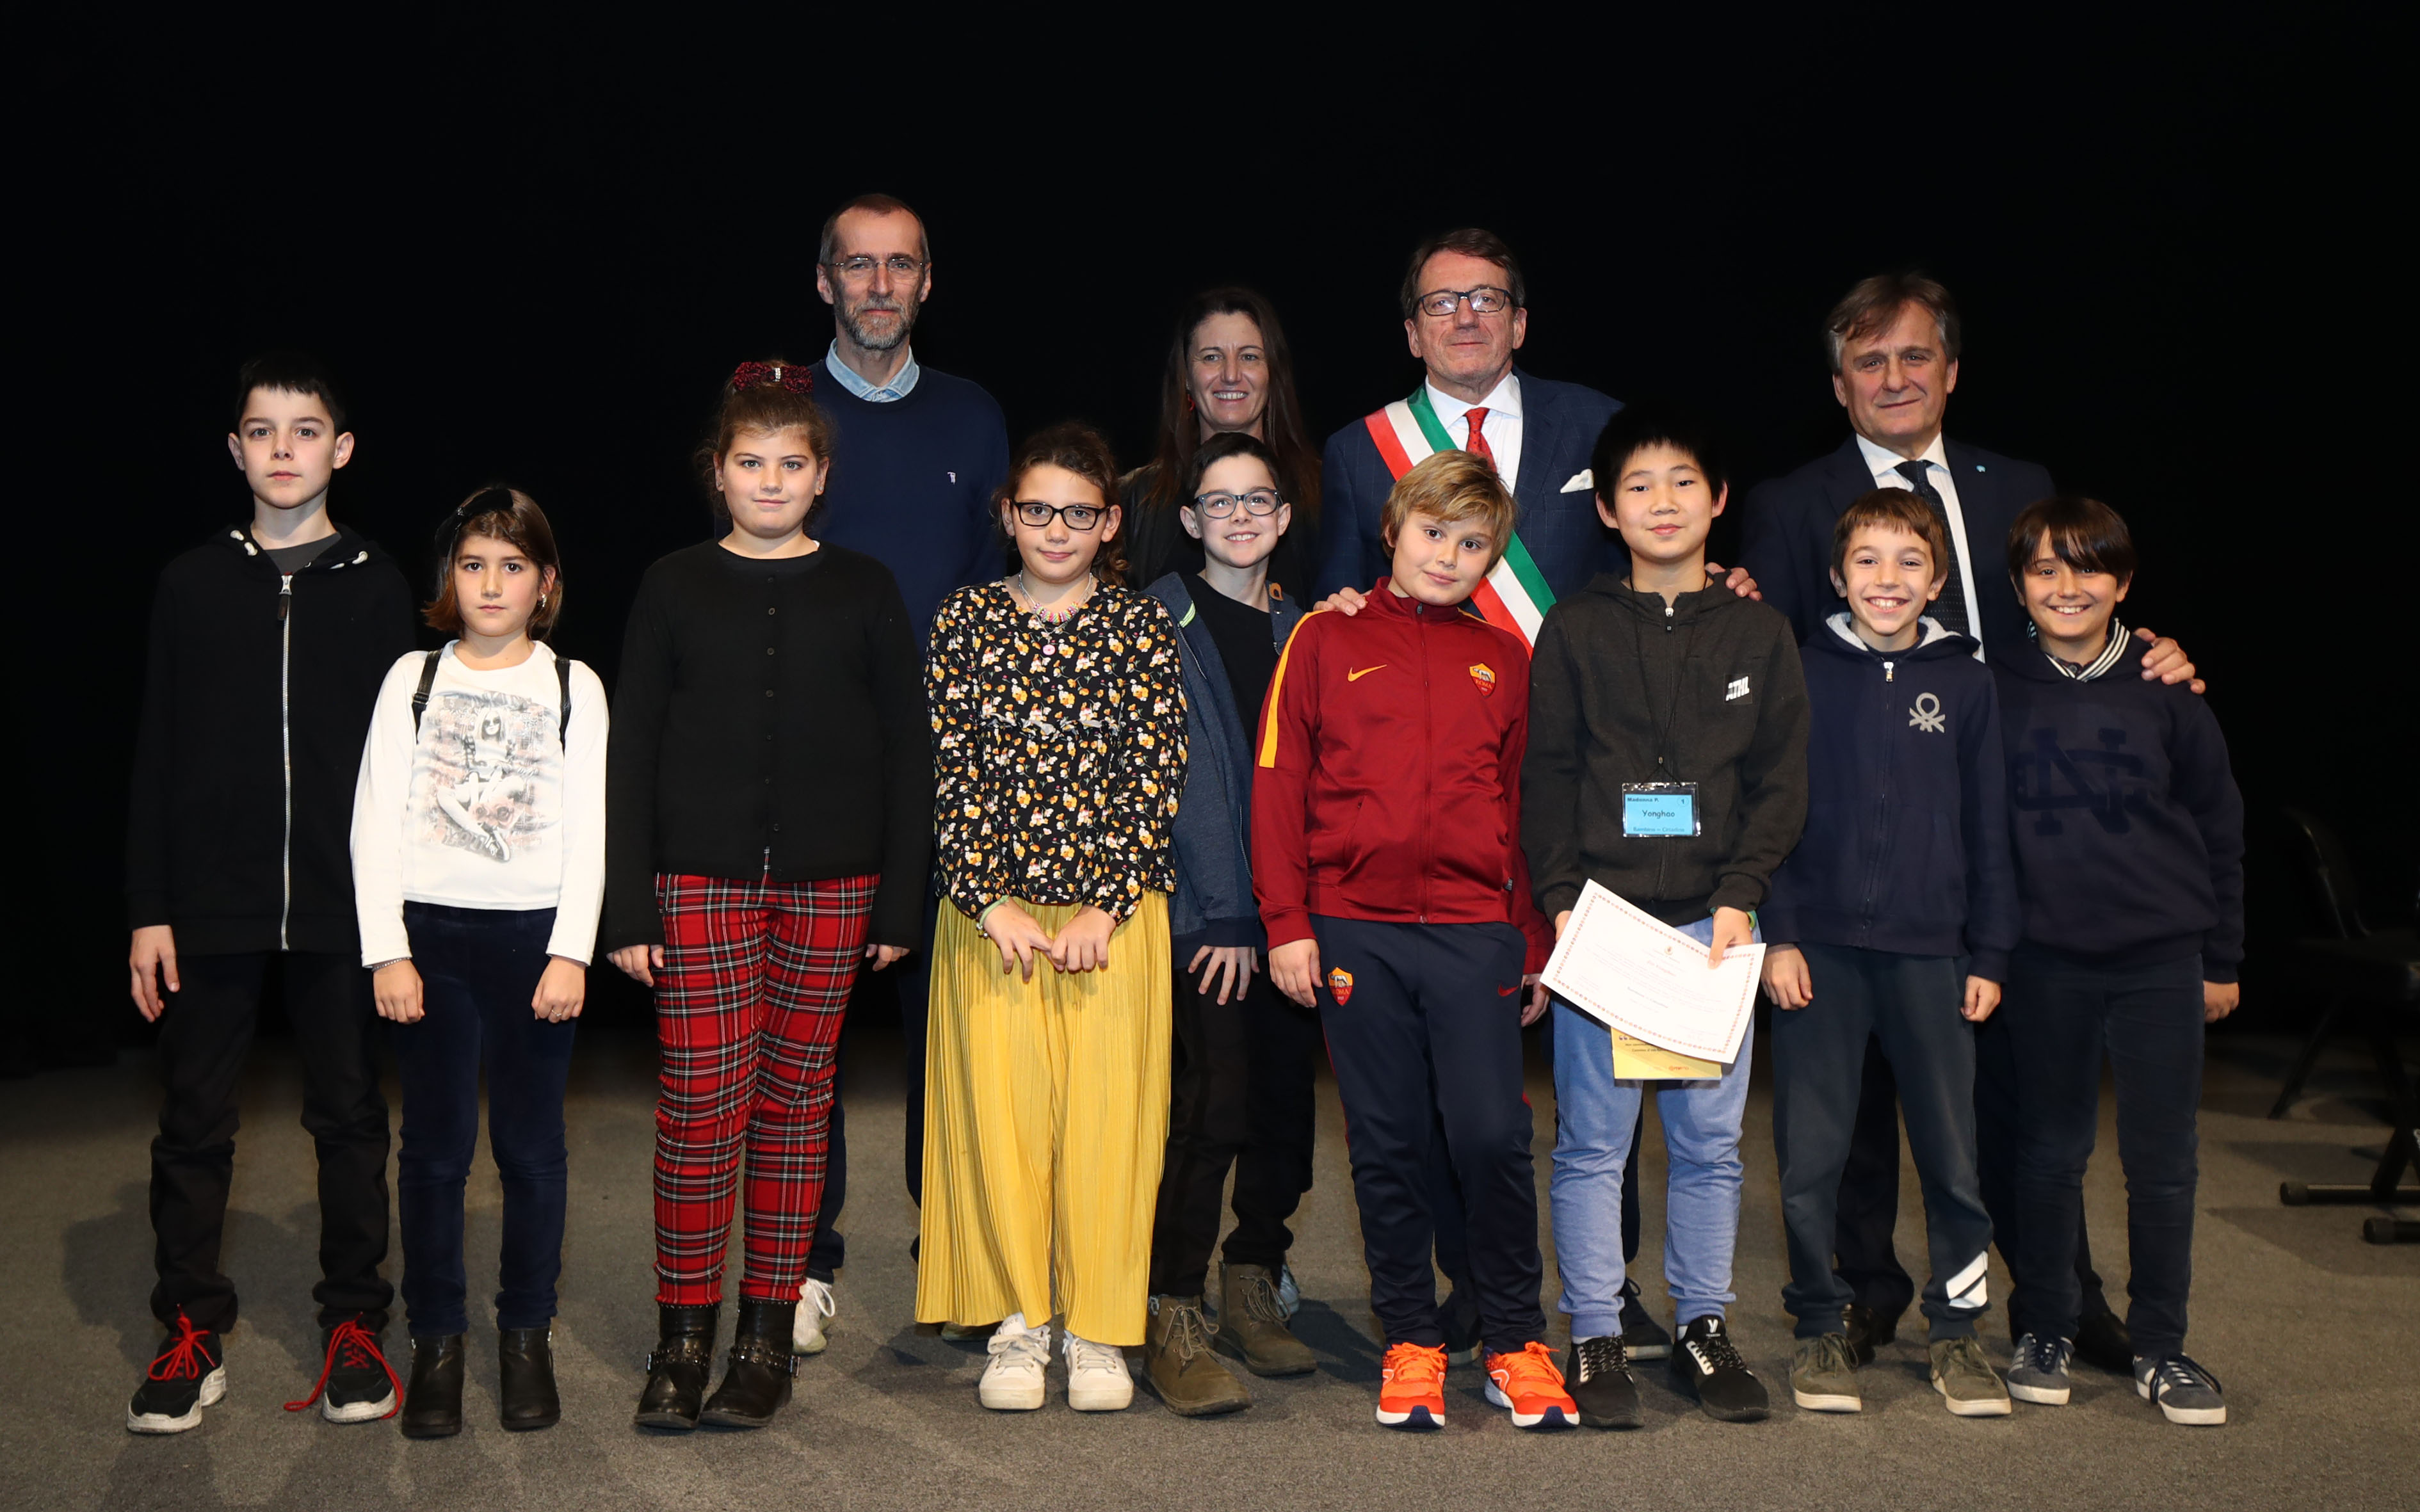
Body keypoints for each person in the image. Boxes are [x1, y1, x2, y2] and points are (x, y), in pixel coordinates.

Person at [1738, 273, 2191, 1371]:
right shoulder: (1791, 503)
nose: (1894, 377)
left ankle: (2057, 1295)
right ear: (1839, 385)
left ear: (1951, 370)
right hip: (1861, 843)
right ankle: (1866, 1289)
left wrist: (2146, 656)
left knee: (2026, 1088)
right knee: (1853, 1102)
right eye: (1869, 361)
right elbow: (1782, 687)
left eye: (1914, 356)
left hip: (2022, 813)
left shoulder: (2017, 484)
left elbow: (2070, 602)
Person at [1314, 227, 1682, 1362]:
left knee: (1592, 1046)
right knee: (1442, 1087)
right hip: (1427, 798)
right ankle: (1468, 1282)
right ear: (1410, 329)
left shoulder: (1595, 422)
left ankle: (1605, 1289)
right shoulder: (1358, 448)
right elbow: (1338, 589)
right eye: (1442, 302)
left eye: (1487, 298)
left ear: (1521, 319)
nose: (1465, 316)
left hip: (1582, 774)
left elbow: (1650, 554)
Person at [606, 360, 930, 1432]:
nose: (772, 479)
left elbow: (908, 751)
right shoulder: (673, 584)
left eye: (792, 462)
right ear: (719, 471)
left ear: (823, 474)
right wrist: (627, 906)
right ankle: (682, 1338)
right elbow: (631, 747)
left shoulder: (866, 587)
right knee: (702, 1106)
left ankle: (763, 1339)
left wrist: (900, 903)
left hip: (835, 888)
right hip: (698, 883)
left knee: (795, 1106)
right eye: (752, 462)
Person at [1255, 449, 1574, 1434]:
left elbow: (1521, 806)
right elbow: (1278, 783)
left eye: (1472, 544)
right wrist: (1286, 922)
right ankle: (1411, 1337)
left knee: (1491, 1135)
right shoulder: (1322, 638)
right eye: (1433, 533)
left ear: (1491, 558)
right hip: (1356, 929)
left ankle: (1516, 1340)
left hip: (1477, 933)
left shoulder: (1505, 660)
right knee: (1386, 1140)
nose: (1448, 555)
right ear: (1392, 530)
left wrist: (1529, 937)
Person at [124, 353, 413, 1436]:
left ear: (342, 449)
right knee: (194, 1120)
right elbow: (156, 749)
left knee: (349, 1115)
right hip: (212, 898)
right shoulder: (190, 583)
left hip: (344, 900)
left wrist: (397, 911)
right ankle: (187, 1329)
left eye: (305, 430)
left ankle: (356, 1325)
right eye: (262, 430)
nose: (283, 449)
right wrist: (149, 905)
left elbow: (404, 763)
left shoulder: (379, 584)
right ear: (235, 449)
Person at [1522, 408, 1809, 1429]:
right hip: (1603, 925)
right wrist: (1562, 900)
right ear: (1607, 510)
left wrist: (1742, 894)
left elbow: (1781, 780)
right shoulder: (1576, 627)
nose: (1663, 501)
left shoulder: (1760, 632)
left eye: (1684, 481)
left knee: (1710, 1146)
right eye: (1638, 486)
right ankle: (1596, 1330)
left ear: (1718, 499)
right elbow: (1548, 775)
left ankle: (1702, 1323)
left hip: (1711, 929)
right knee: (1592, 1147)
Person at [916, 423, 1188, 1415]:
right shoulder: (963, 621)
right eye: (1038, 509)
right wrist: (986, 897)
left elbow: (1155, 769)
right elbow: (950, 769)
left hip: (1113, 922)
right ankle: (1021, 1322)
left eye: (1079, 512)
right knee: (1003, 1125)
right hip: (992, 919)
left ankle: (1100, 1327)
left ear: (1110, 522)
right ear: (1008, 514)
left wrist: (1107, 903)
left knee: (1112, 1127)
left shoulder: (1142, 627)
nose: (1057, 529)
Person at [797, 193, 1012, 1342]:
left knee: (953, 1033)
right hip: (820, 773)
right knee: (811, 1033)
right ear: (824, 281)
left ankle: (958, 1256)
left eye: (900, 266)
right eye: (858, 265)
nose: (879, 286)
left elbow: (995, 593)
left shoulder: (974, 416)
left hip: (947, 779)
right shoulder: (781, 409)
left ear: (928, 283)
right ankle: (802, 1262)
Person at [350, 488, 607, 1437]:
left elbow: (590, 831)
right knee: (434, 1152)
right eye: (472, 565)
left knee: (532, 1152)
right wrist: (389, 949)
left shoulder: (575, 685)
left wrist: (571, 950)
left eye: (512, 566)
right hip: (432, 944)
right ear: (448, 579)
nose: (491, 584)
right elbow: (373, 819)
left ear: (546, 583)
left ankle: (526, 1335)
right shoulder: (411, 679)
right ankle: (438, 1340)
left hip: (534, 944)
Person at [1757, 490, 2018, 1418]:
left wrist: (1989, 951)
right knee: (1811, 1160)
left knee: (1952, 1161)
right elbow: (1767, 810)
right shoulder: (1799, 669)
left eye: (1910, 561)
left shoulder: (1969, 684)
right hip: (1819, 954)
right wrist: (1780, 932)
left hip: (1932, 954)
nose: (1887, 579)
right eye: (1867, 559)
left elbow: (1989, 826)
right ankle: (1818, 1324)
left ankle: (1957, 1332)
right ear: (1838, 576)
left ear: (1938, 580)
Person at [1991, 497, 2243, 1427]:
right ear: (2018, 585)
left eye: (2089, 567)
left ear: (2124, 583)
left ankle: (2161, 1343)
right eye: (2045, 570)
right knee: (2049, 1154)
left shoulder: (2167, 689)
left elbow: (2220, 827)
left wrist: (2223, 957)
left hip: (2160, 963)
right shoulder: (1992, 685)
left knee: (2162, 1162)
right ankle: (2047, 1326)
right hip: (2045, 963)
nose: (2068, 587)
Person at [1136, 433, 1316, 1416]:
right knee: (1212, 1109)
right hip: (1211, 919)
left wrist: (1296, 910)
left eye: (1257, 499)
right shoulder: (1154, 622)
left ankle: (1254, 1274)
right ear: (1191, 518)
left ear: (1282, 518)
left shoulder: (1310, 629)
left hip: (1296, 918)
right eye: (1219, 500)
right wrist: (1231, 913)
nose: (1240, 515)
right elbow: (1181, 782)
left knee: (1285, 1106)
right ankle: (1172, 1303)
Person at [1122, 287, 1322, 596]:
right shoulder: (1134, 500)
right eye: (1212, 357)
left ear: (1272, 372)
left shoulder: (1325, 491)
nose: (1231, 375)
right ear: (1186, 376)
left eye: (1249, 357)